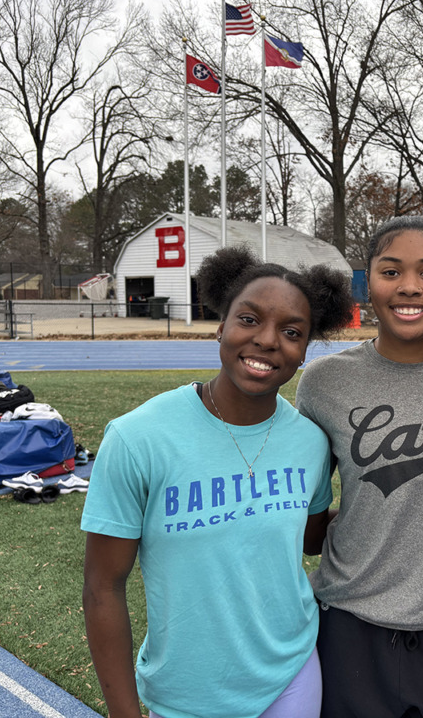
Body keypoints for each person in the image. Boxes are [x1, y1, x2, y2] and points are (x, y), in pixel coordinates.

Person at [81, 246, 355, 718]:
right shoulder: (137, 437)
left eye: (292, 332)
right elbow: (102, 587)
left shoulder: (311, 443)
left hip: (292, 675)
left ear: (306, 348)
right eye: (249, 320)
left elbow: (312, 539)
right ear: (220, 325)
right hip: (186, 693)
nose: (268, 340)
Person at [296, 216, 423, 718]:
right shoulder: (323, 383)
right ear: (369, 282)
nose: (410, 287)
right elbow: (309, 509)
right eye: (391, 272)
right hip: (351, 624)